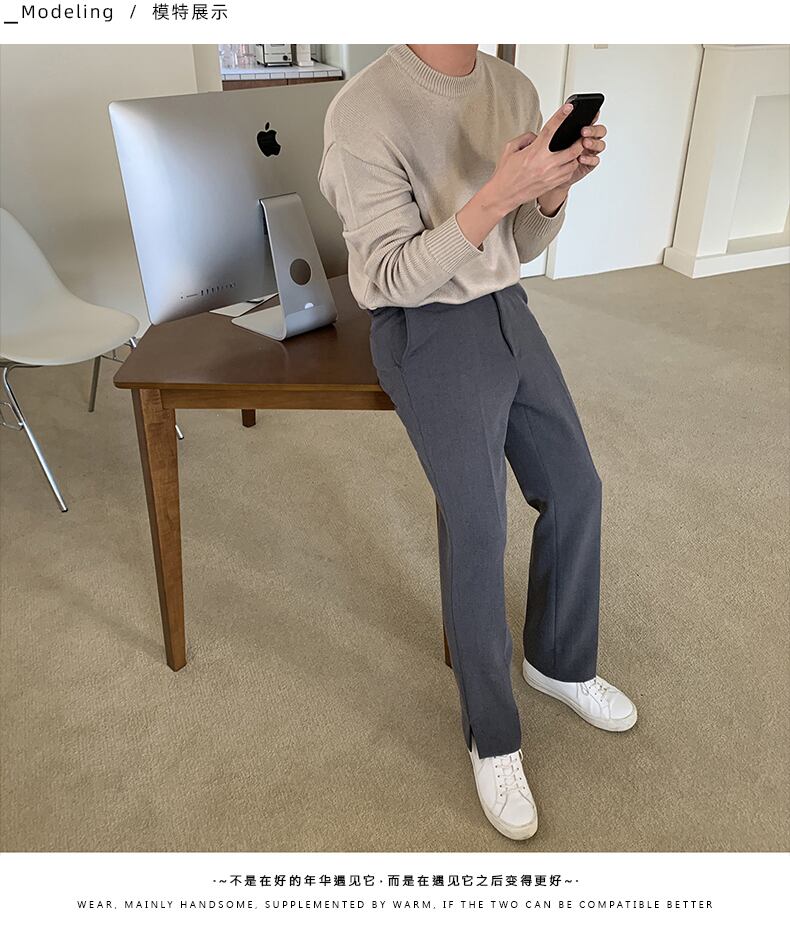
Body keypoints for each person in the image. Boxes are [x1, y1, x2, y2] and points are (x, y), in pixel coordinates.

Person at [318, 44, 637, 841]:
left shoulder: (513, 87)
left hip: (503, 305)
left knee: (576, 488)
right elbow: (390, 278)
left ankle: (558, 661)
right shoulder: (364, 109)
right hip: (422, 324)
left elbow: (517, 246)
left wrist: (552, 190)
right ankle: (492, 737)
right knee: (478, 523)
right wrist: (498, 193)